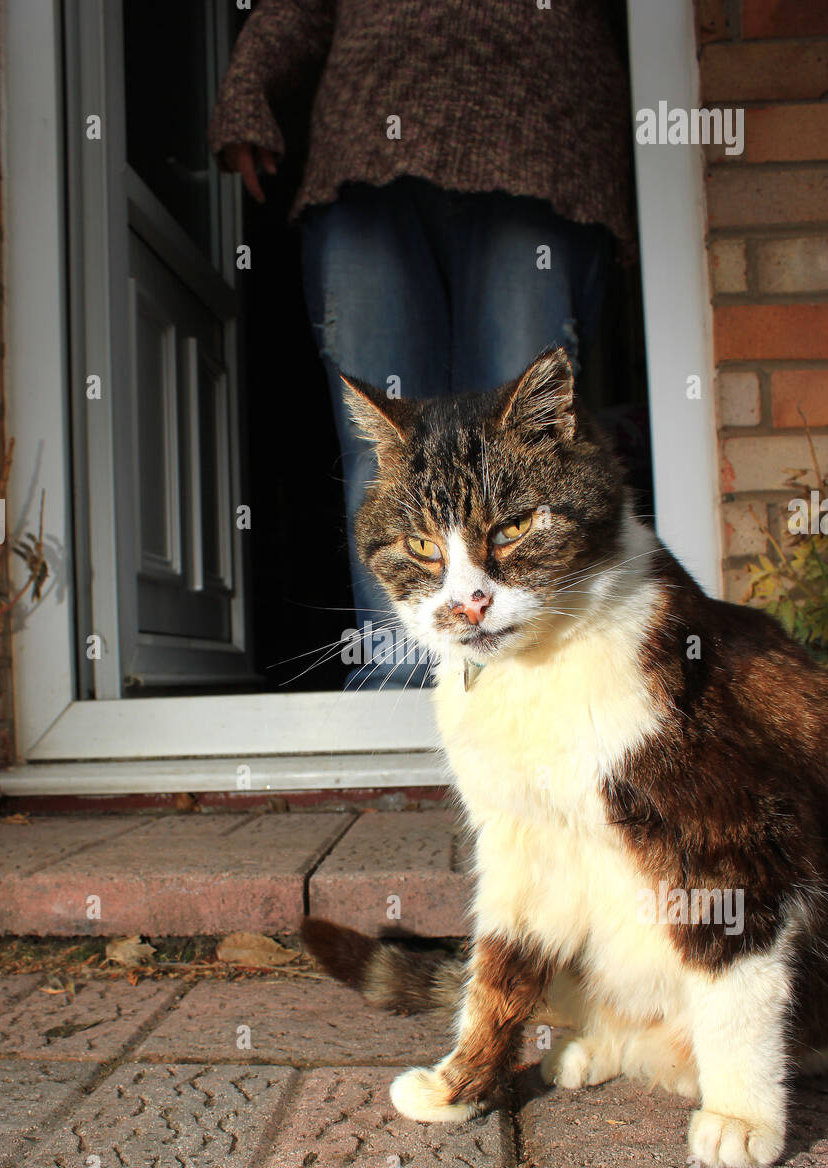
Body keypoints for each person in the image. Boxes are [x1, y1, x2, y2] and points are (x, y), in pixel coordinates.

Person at [209, 0, 634, 688]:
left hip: (544, 126)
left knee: (529, 443)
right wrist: (247, 84)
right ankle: (397, 675)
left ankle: (537, 682)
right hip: (365, 137)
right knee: (384, 451)